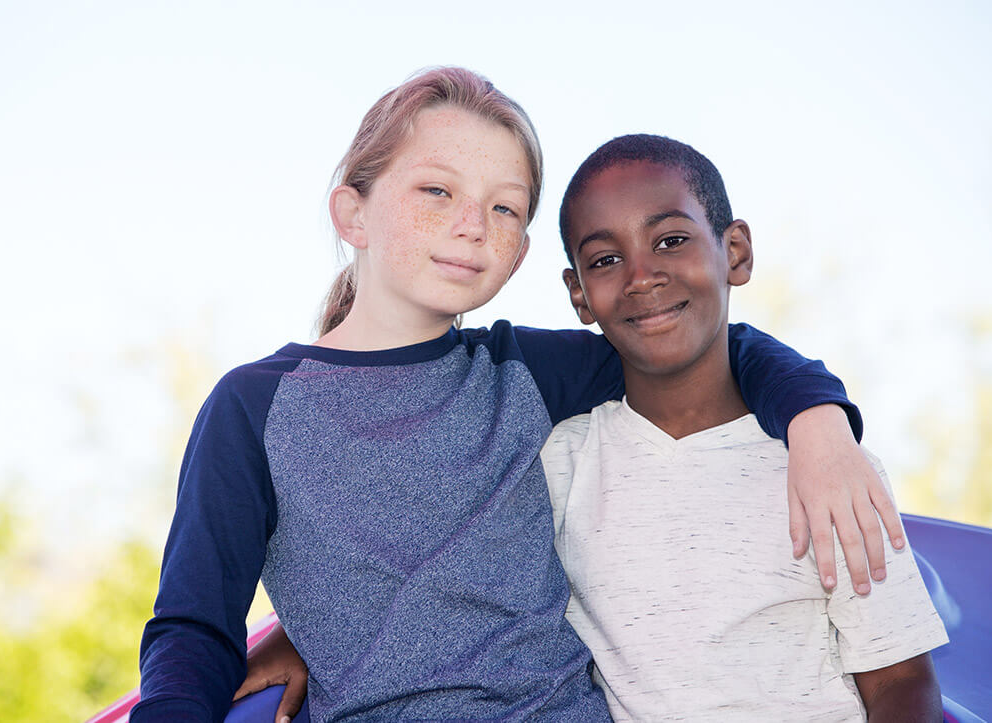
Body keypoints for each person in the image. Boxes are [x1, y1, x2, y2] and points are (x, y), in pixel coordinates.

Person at [133, 68, 900, 722]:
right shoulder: (254, 408)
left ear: (521, 250)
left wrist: (818, 423)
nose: (472, 226)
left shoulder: (522, 371)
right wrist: (303, 628)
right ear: (353, 212)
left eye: (504, 207)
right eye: (438, 190)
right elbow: (193, 629)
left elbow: (708, 345)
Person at [542, 133, 949, 720]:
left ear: (734, 251)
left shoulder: (828, 467)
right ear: (579, 293)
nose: (641, 275)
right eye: (605, 260)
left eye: (671, 240)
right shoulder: (559, 467)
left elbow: (900, 683)